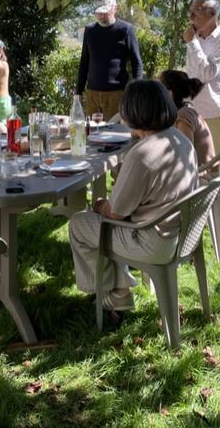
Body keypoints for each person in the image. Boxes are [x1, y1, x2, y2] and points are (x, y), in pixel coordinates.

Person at [68, 80, 199, 311]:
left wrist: (100, 206)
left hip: (153, 241)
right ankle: (120, 291)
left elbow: (115, 214)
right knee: (105, 222)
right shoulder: (180, 139)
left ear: (132, 111)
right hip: (181, 234)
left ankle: (112, 294)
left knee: (80, 223)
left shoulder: (142, 154)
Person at [183, 0, 220, 227]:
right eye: (190, 12)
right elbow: (193, 75)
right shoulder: (196, 38)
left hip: (218, 113)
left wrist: (192, 43)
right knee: (197, 168)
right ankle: (204, 218)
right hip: (195, 112)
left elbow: (207, 73)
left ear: (212, 13)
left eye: (195, 12)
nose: (190, 17)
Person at [76, 0, 144, 119]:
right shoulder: (90, 30)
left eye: (105, 11)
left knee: (115, 131)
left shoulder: (126, 30)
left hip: (117, 95)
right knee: (92, 130)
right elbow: (84, 62)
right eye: (98, 12)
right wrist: (78, 92)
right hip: (92, 94)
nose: (101, 16)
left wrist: (136, 93)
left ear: (115, 8)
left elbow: (137, 63)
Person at [159, 69, 216, 169]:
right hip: (197, 171)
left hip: (202, 175)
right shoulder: (184, 110)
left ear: (170, 93)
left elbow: (187, 155)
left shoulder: (183, 116)